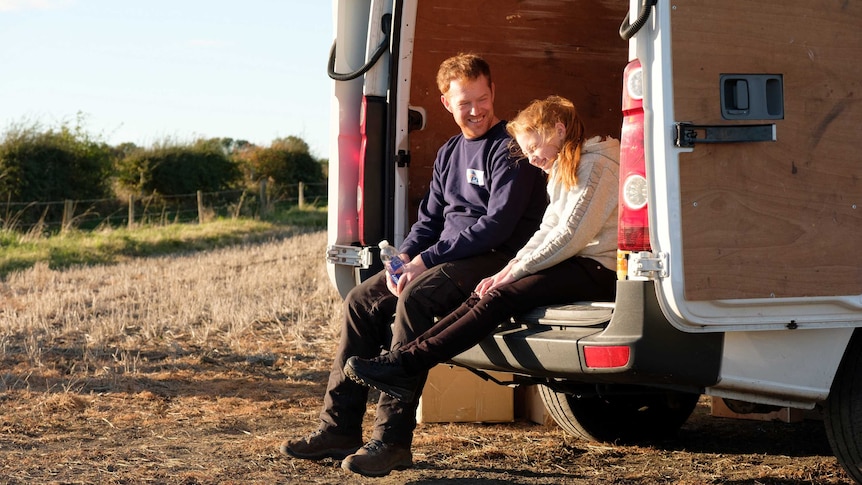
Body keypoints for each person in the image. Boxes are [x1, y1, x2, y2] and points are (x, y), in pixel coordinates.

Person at [280, 53, 547, 478]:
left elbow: (496, 226)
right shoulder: (449, 152)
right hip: (447, 256)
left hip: (497, 258)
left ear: (493, 91)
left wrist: (426, 261)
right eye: (465, 103)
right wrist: (404, 257)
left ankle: (391, 440)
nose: (476, 110)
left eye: (482, 98)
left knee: (417, 299)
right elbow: (430, 220)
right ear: (446, 103)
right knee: (360, 300)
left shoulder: (511, 148)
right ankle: (339, 428)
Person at [344, 95, 619, 407]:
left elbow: (569, 236)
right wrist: (507, 270)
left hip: (598, 267)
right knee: (484, 291)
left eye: (532, 148)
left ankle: (404, 364)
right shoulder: (565, 168)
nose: (530, 159)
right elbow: (547, 229)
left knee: (501, 296)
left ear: (557, 130)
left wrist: (514, 272)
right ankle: (402, 360)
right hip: (575, 262)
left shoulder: (597, 167)